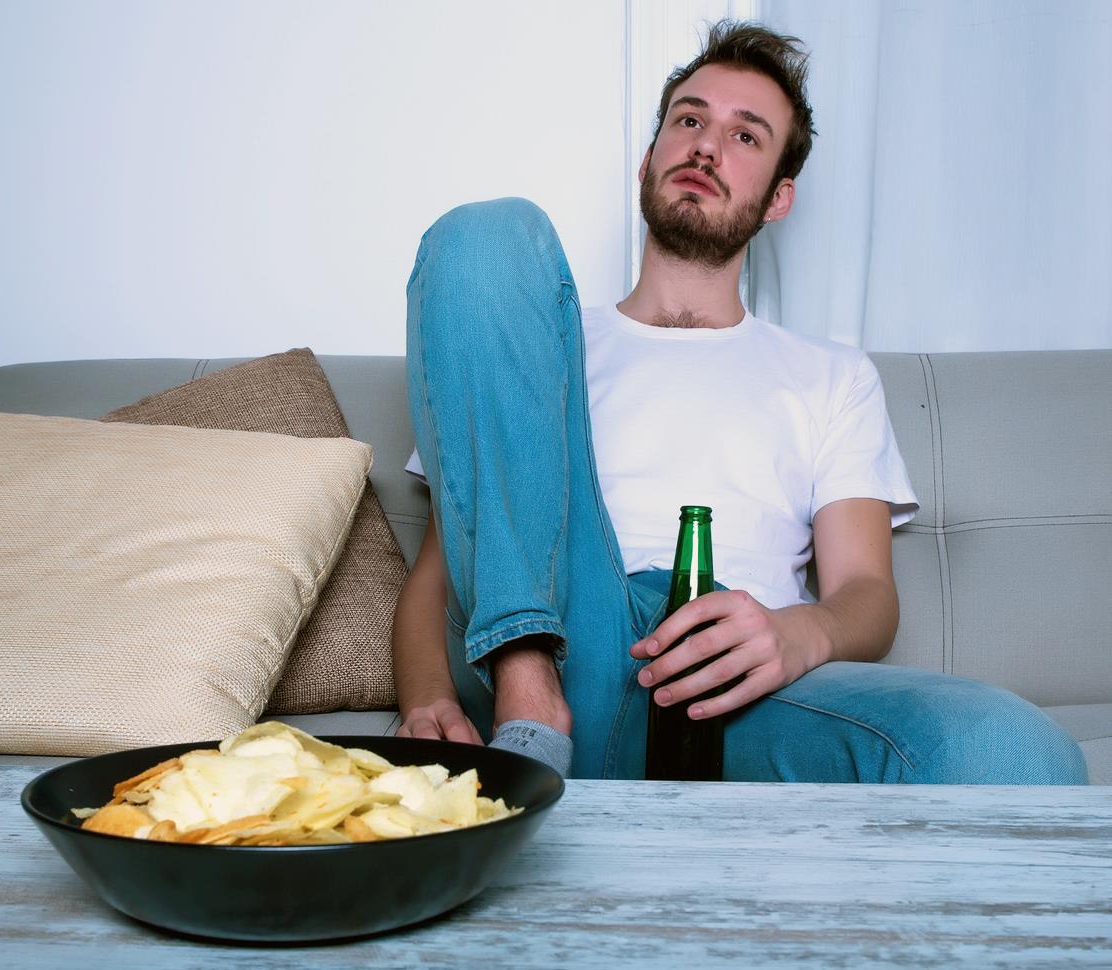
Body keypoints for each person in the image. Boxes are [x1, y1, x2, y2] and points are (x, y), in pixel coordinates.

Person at [393, 20, 1088, 784]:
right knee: (486, 234)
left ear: (779, 198)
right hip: (558, 638)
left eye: (745, 136)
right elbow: (449, 561)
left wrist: (794, 636)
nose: (706, 147)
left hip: (728, 681)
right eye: (689, 120)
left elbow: (865, 590)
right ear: (647, 160)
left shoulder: (833, 376)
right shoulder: (531, 335)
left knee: (1018, 753)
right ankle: (532, 708)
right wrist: (427, 697)